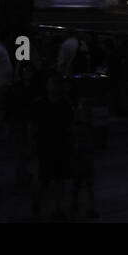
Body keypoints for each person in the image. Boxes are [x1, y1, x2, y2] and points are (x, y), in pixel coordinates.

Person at [29, 74, 73, 221]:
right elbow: (33, 126)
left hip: (61, 146)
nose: (54, 87)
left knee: (58, 180)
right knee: (44, 180)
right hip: (45, 147)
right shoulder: (40, 104)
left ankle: (57, 208)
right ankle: (38, 202)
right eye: (52, 84)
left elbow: (70, 127)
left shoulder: (65, 105)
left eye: (56, 84)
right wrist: (32, 144)